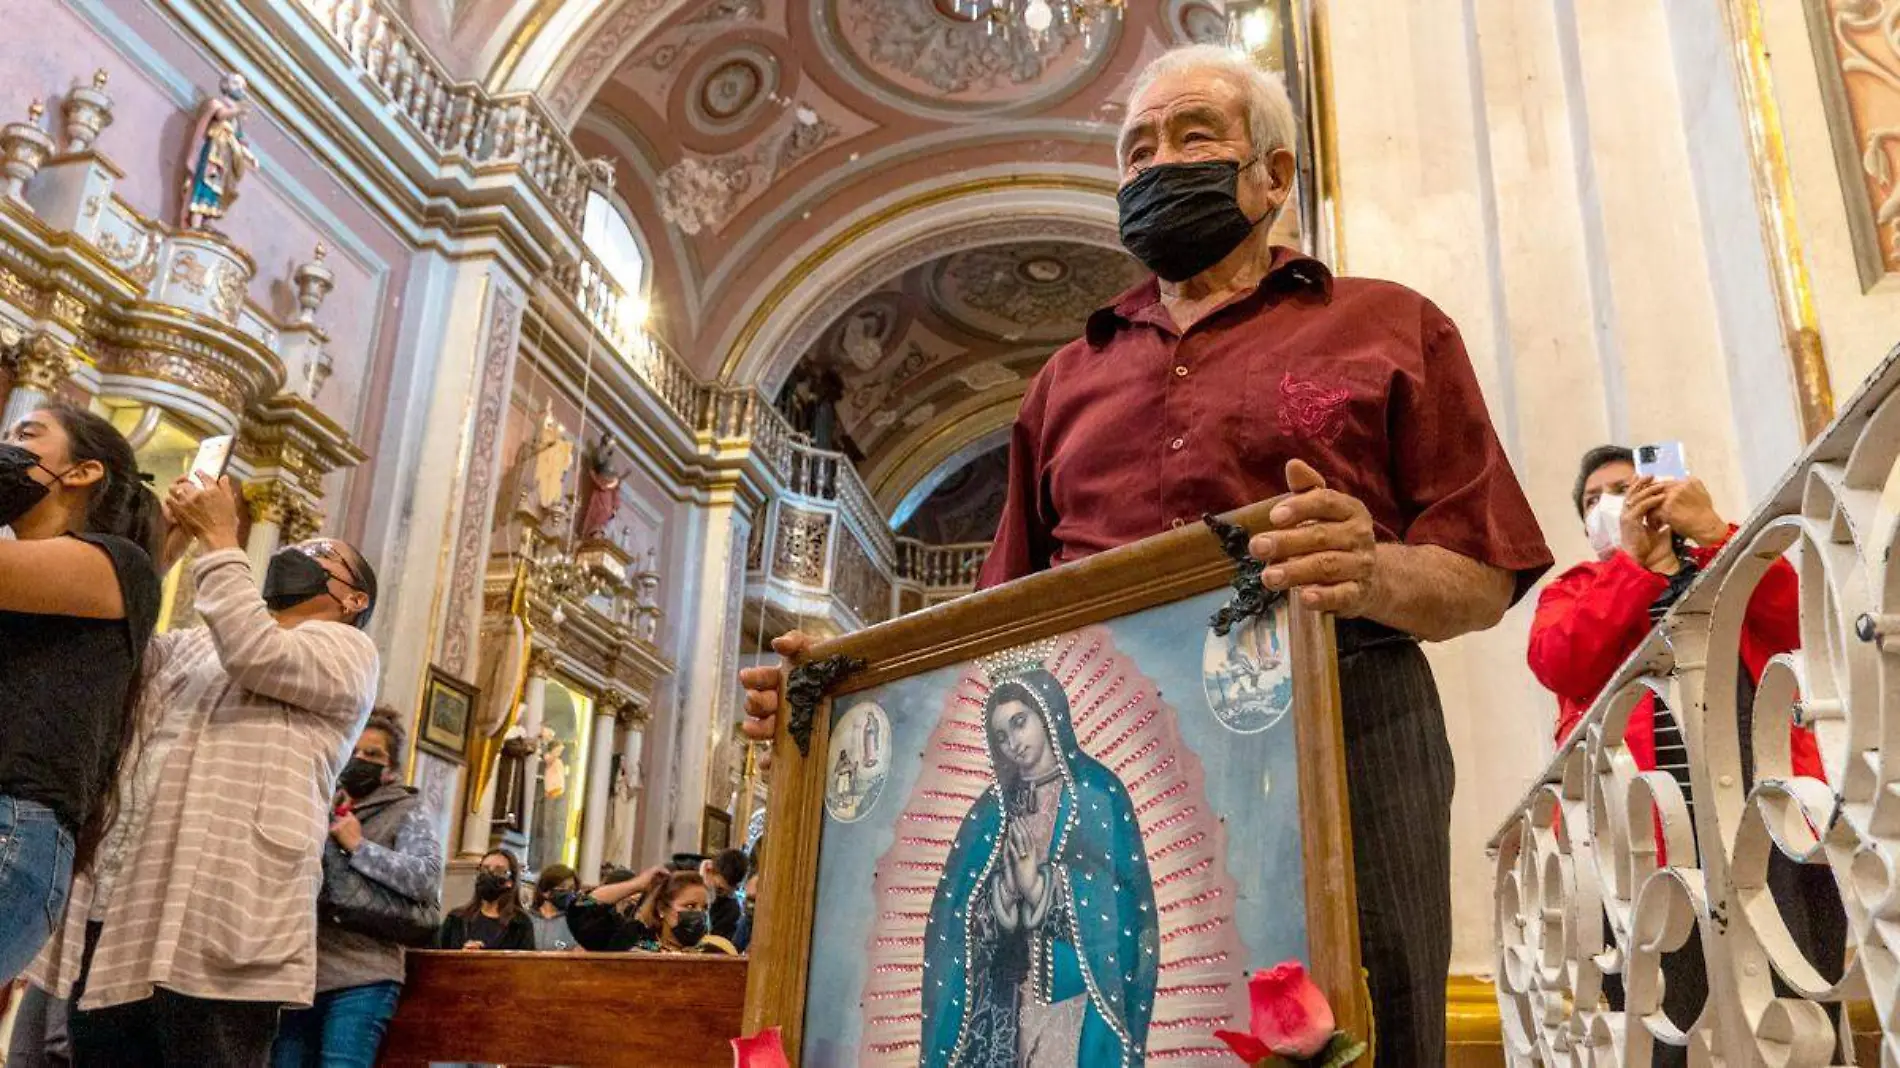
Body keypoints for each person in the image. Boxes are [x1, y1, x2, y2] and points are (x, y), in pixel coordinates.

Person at [741, 44, 1554, 1068]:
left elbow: (1481, 573)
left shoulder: (1389, 327)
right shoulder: (1062, 381)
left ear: (1274, 174)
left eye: (1193, 135)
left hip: (1352, 722)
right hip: (1113, 768)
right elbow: (995, 631)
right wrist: (844, 690)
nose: (1157, 163)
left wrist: (1374, 570)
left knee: (1372, 1023)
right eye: (1134, 150)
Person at [31, 474, 382, 1068]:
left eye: (321, 553)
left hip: (222, 910)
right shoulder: (197, 643)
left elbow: (256, 652)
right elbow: (123, 656)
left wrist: (221, 535)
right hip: (125, 904)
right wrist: (164, 551)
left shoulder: (347, 651)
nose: (297, 555)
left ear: (354, 600)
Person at [1529, 445, 1821, 779]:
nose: (1607, 506)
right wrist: (1629, 568)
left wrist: (1714, 531)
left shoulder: (1723, 563)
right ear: (1586, 529)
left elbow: (1797, 623)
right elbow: (1560, 667)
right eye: (1592, 501)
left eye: (1623, 490)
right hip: (1637, 802)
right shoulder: (1571, 590)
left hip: (1758, 779)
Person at [0, 404, 163, 982]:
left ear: (82, 471)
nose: (9, 444)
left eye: (27, 434)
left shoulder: (118, 565)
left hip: (12, 824)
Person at [922, 668, 1156, 1066]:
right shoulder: (989, 814)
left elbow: (1126, 907)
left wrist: (1042, 888)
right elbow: (953, 921)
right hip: (1004, 1011)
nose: (1013, 742)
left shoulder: (1097, 795)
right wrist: (1004, 897)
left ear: (1048, 714)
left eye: (1019, 722)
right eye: (1001, 735)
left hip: (1076, 1004)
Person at [272, 708, 443, 1068]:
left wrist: (360, 847)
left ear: (390, 769)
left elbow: (425, 877)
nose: (359, 760)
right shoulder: (321, 803)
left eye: (373, 754)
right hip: (303, 971)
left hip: (364, 973)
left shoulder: (406, 810)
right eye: (354, 750)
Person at [438, 850, 535, 951]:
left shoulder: (520, 924)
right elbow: (436, 958)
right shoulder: (456, 919)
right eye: (485, 869)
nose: (489, 874)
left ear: (510, 882)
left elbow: (525, 964)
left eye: (498, 871)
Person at [564, 865, 670, 952]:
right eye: (685, 905)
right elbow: (581, 905)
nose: (635, 897)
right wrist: (636, 885)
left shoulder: (648, 935)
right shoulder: (624, 934)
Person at [529, 864, 581, 952]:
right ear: (545, 891)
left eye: (572, 888)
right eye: (562, 887)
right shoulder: (526, 918)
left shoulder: (576, 921)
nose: (568, 893)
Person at [701, 849, 747, 943]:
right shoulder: (680, 874)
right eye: (719, 889)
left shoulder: (731, 910)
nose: (723, 895)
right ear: (710, 871)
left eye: (727, 892)